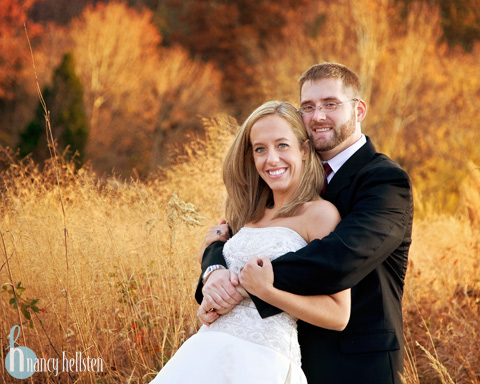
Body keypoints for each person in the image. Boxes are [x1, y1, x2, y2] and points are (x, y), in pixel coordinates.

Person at [197, 62, 414, 384]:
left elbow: (339, 258)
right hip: (280, 356)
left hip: (355, 363)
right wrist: (213, 272)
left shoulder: (384, 181)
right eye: (308, 107)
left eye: (331, 104)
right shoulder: (282, 181)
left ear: (359, 110)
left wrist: (242, 284)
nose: (318, 116)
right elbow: (229, 241)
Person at [150, 101, 350, 383]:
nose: (271, 159)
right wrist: (211, 291)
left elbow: (338, 314)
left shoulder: (318, 215)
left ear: (304, 150)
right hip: (206, 352)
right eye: (260, 149)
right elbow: (218, 275)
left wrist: (267, 292)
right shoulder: (246, 215)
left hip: (262, 361)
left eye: (282, 145)